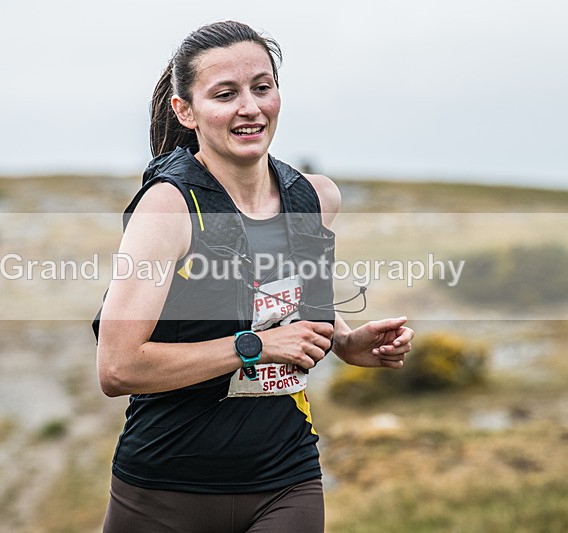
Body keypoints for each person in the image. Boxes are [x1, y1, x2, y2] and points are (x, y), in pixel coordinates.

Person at [94, 20, 413, 532]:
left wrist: (347, 343)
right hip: (163, 492)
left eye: (262, 88)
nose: (250, 107)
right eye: (225, 94)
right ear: (186, 111)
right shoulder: (169, 208)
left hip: (287, 477)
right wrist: (256, 347)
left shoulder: (314, 199)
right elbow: (117, 368)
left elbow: (285, 308)